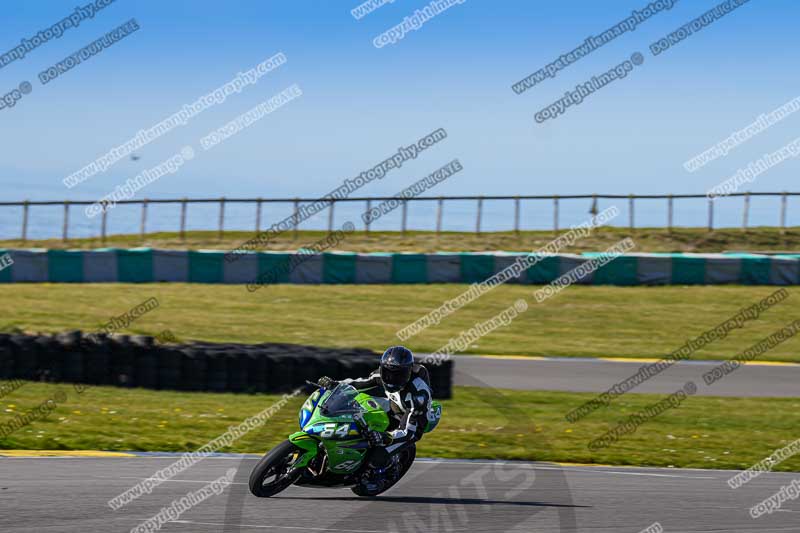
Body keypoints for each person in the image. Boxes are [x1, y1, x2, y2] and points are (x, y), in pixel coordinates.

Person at [318, 346, 433, 455]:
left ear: (409, 372)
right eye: (388, 373)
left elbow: (409, 432)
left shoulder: (418, 394)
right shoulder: (380, 376)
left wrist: (385, 436)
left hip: (413, 419)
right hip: (394, 404)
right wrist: (334, 384)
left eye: (399, 375)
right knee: (362, 414)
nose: (391, 379)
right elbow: (358, 383)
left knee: (377, 457)